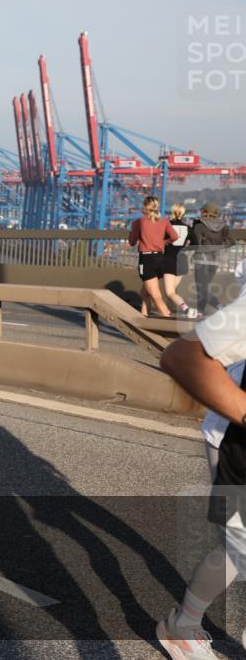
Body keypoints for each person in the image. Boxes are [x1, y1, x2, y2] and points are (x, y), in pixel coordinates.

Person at [157, 293, 246, 659]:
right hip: (235, 442)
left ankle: (184, 624)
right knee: (239, 546)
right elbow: (183, 356)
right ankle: (182, 626)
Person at [128, 196, 178, 317]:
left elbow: (132, 242)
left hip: (147, 261)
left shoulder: (139, 222)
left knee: (156, 296)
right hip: (161, 259)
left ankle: (169, 323)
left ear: (144, 207)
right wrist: (163, 242)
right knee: (145, 292)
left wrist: (132, 233)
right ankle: (144, 319)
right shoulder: (164, 221)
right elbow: (175, 236)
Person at [190, 201, 233, 316]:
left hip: (201, 259)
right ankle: (200, 311)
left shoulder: (199, 225)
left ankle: (219, 306)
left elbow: (196, 243)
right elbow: (230, 242)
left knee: (202, 288)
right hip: (215, 261)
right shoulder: (224, 226)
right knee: (203, 288)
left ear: (205, 212)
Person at [163, 203, 196, 318]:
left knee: (170, 292)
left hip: (169, 260)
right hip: (182, 260)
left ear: (172, 212)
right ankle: (168, 313)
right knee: (172, 293)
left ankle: (187, 310)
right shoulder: (188, 228)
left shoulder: (166, 226)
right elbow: (196, 243)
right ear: (183, 214)